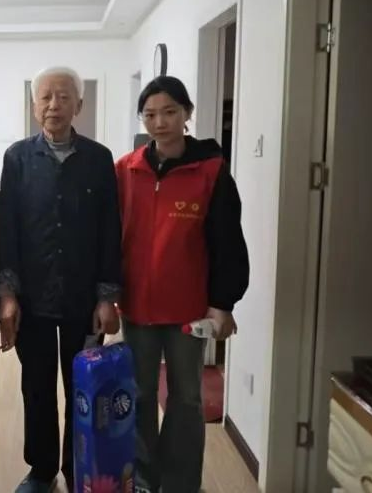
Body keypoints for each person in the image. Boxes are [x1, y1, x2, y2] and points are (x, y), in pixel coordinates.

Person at [115, 76, 249, 493]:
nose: (160, 122)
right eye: (150, 114)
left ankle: (180, 483)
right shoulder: (126, 169)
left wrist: (222, 303)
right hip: (137, 306)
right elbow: (109, 236)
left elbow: (228, 241)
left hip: (189, 310)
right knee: (139, 394)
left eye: (169, 112)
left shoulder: (211, 171)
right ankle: (143, 479)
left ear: (187, 113)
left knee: (187, 398)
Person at [0, 67, 122, 493]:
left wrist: (107, 297)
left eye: (64, 97)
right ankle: (42, 469)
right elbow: (8, 229)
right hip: (32, 299)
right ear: (34, 106)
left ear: (79, 105)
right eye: (46, 97)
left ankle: (78, 467)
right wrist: (7, 293)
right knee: (36, 386)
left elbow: (110, 230)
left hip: (83, 299)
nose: (54, 105)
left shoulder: (99, 159)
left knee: (82, 387)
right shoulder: (17, 158)